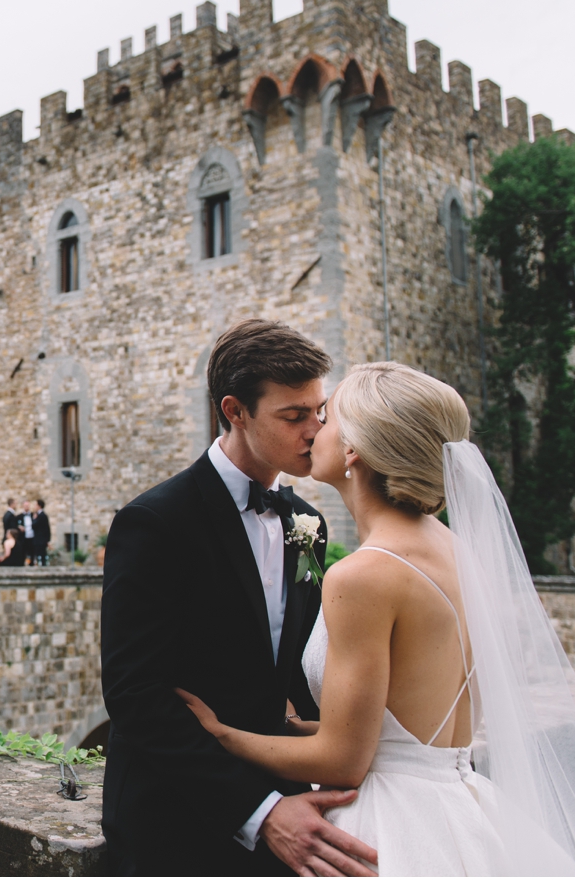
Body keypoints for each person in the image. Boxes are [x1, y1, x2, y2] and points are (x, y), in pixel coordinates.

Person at [177, 361, 575, 876]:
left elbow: (343, 760)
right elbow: (399, 728)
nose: (313, 427)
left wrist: (225, 736)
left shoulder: (362, 576)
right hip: (460, 808)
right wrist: (292, 727)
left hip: (389, 829)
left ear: (354, 449)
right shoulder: (457, 551)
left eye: (328, 416)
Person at [101, 318, 363, 876]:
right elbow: (134, 696)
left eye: (318, 412)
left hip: (290, 798)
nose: (314, 431)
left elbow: (299, 671)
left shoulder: (307, 522)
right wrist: (261, 813)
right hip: (176, 818)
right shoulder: (155, 522)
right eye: (293, 416)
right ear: (235, 410)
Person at [31, 499, 51, 566]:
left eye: (35, 505)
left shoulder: (41, 516)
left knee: (41, 556)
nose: (34, 506)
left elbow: (34, 526)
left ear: (39, 506)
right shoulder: (42, 515)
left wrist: (34, 519)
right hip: (41, 540)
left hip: (40, 540)